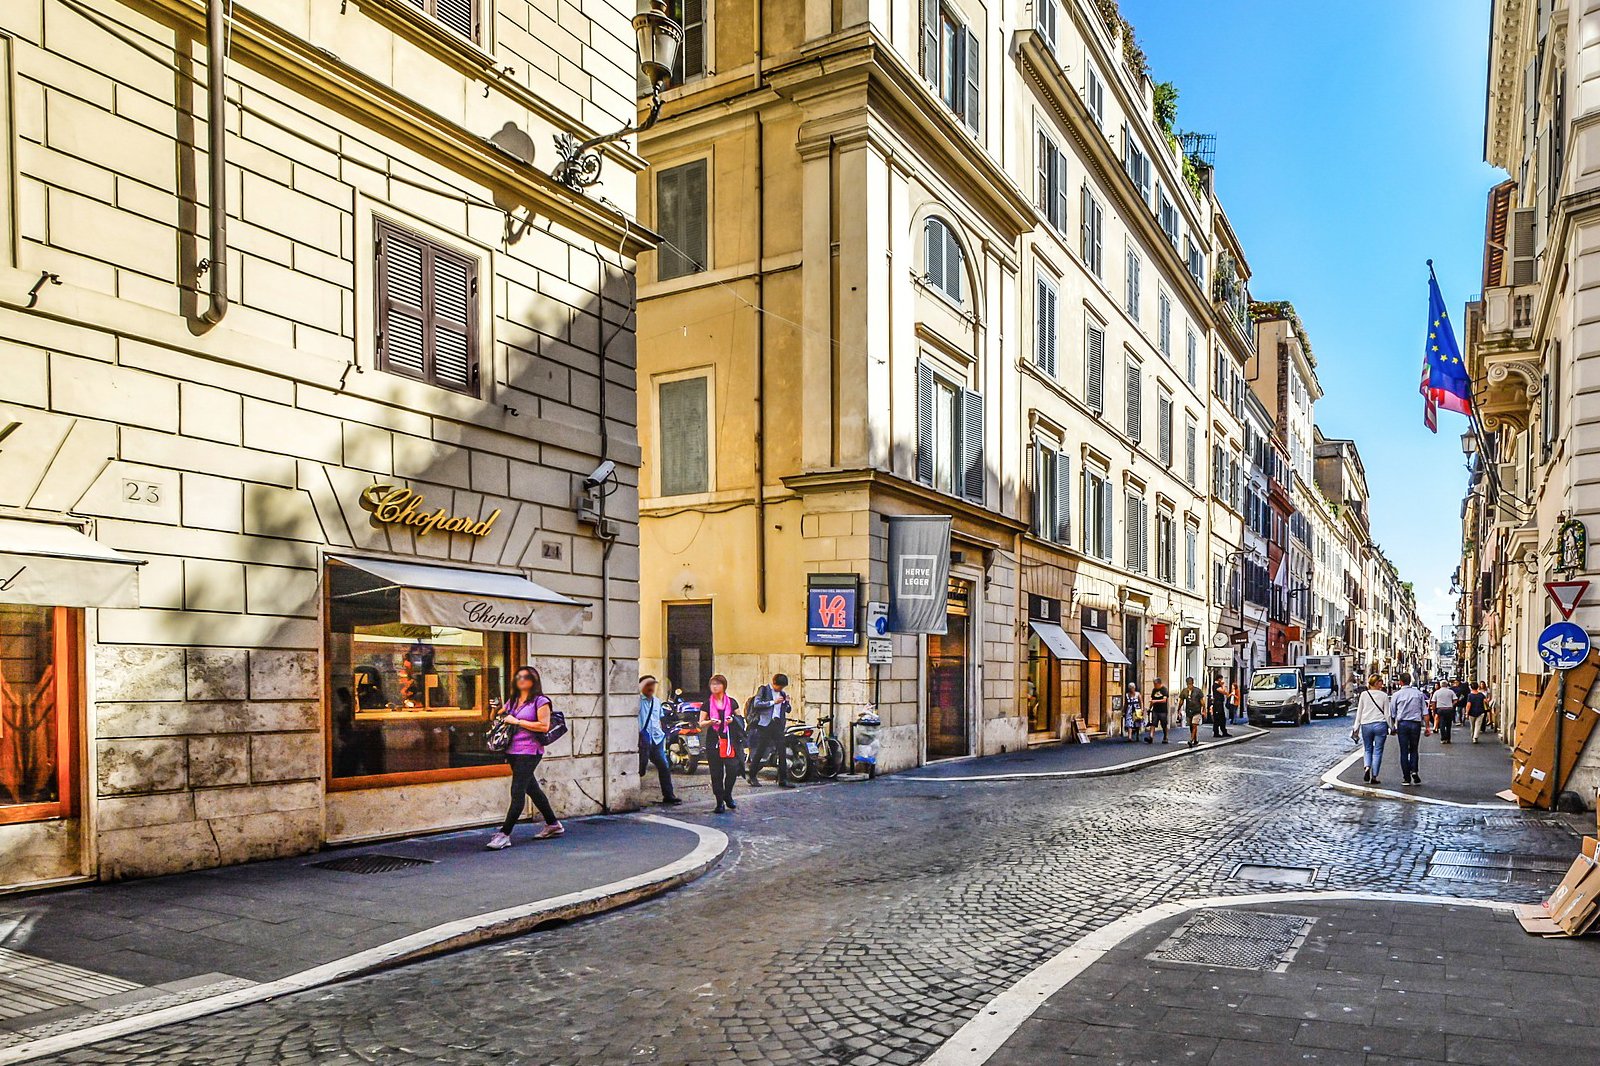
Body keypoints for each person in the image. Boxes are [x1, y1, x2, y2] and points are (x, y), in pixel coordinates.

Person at [487, 666, 564, 850]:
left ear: (534, 680)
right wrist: (495, 709)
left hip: (530, 751)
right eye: (518, 677)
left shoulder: (541, 701)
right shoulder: (514, 700)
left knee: (517, 790)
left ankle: (504, 834)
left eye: (526, 677)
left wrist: (518, 721)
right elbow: (497, 718)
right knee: (532, 788)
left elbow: (544, 726)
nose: (521, 680)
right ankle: (553, 824)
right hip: (512, 750)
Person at [699, 674, 744, 813]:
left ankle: (727, 794)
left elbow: (741, 719)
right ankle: (719, 802)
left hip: (730, 740)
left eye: (717, 684)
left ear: (724, 686)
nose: (714, 686)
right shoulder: (707, 704)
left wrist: (732, 720)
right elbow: (701, 723)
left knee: (733, 768)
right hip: (714, 740)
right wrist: (710, 722)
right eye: (712, 684)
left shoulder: (732, 702)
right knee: (716, 772)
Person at [636, 676, 682, 806]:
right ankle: (633, 794)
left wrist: (663, 733)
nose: (651, 688)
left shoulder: (657, 702)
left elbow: (659, 718)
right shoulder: (637, 701)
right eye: (647, 685)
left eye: (652, 685)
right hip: (643, 740)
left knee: (664, 766)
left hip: (657, 739)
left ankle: (669, 795)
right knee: (640, 768)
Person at [748, 673, 794, 788]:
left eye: (783, 687)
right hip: (765, 724)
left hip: (777, 724)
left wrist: (787, 702)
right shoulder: (763, 690)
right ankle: (752, 776)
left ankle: (783, 779)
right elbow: (757, 704)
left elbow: (787, 710)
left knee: (782, 751)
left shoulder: (782, 693)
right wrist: (773, 702)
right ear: (774, 683)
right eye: (780, 686)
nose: (781, 689)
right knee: (761, 750)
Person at [1351, 674, 1393, 784]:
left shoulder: (1364, 695)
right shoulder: (1384, 696)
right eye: (1380, 681)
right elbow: (1387, 714)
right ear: (1376, 683)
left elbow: (1359, 713)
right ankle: (1374, 776)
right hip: (1380, 724)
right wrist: (1392, 727)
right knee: (1378, 751)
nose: (1382, 683)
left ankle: (1367, 767)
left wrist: (1356, 728)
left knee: (1368, 749)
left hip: (1366, 725)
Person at [1390, 672, 1429, 786]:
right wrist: (1427, 727)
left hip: (1402, 724)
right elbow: (1425, 712)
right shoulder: (1418, 694)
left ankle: (1406, 778)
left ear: (1400, 682)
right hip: (1415, 724)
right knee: (1414, 749)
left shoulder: (1396, 695)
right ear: (1410, 681)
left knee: (1403, 751)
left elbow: (1392, 713)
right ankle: (1414, 771)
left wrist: (1392, 727)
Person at [1179, 676, 1206, 748]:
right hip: (1189, 711)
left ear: (1193, 683)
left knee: (1194, 725)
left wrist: (1203, 710)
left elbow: (1202, 702)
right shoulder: (1184, 691)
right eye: (1188, 684)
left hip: (1197, 711)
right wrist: (1178, 709)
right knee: (1191, 726)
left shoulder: (1198, 691)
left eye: (1190, 684)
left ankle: (1191, 740)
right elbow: (1181, 701)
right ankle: (1195, 739)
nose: (1189, 685)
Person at [1429, 679, 1457, 744]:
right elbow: (1455, 700)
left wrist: (1434, 710)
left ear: (1440, 685)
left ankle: (1443, 738)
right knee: (1448, 725)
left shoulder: (1437, 692)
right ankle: (1448, 738)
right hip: (1449, 709)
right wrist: (1451, 705)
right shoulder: (1450, 692)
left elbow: (1433, 702)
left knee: (1442, 724)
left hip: (1440, 709)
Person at [1145, 680, 1170, 744]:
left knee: (1164, 725)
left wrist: (1155, 701)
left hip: (1163, 710)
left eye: (1155, 684)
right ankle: (1151, 737)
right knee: (1153, 723)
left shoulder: (1164, 690)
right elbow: (1152, 700)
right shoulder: (1154, 690)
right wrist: (1150, 708)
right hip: (1155, 710)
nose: (1154, 686)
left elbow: (1164, 700)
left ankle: (1165, 737)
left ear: (1159, 684)